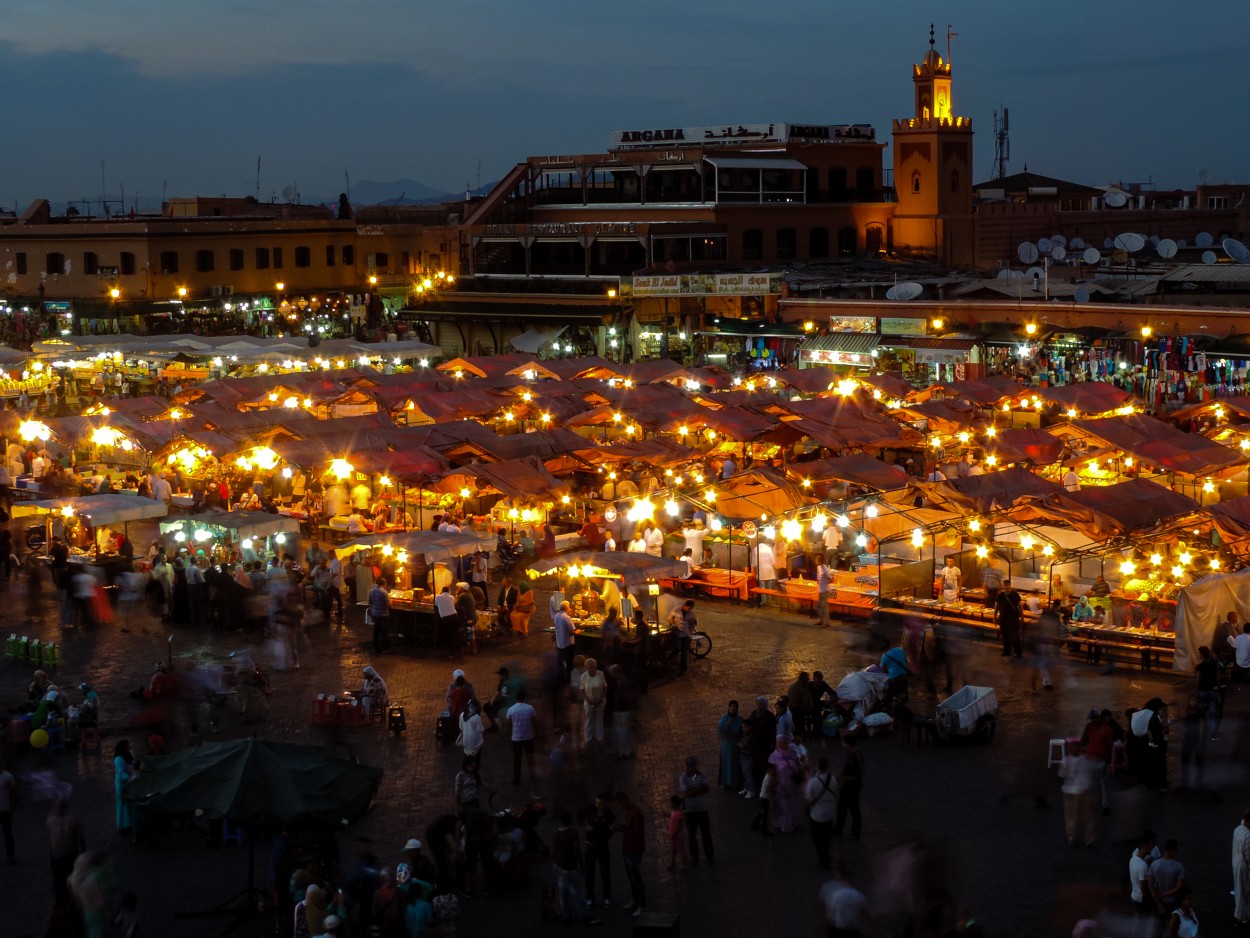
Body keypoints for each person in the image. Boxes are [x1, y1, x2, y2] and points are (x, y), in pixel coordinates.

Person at [612, 791, 647, 917]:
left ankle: (642, 905)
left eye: (619, 804)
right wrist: (621, 826)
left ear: (624, 800)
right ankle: (635, 900)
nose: (619, 807)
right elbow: (629, 827)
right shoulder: (629, 812)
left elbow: (636, 832)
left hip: (634, 850)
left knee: (636, 878)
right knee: (631, 877)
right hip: (627, 849)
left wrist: (620, 829)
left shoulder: (636, 812)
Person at [819, 864, 875, 938]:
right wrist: (876, 932)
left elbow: (826, 910)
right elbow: (866, 916)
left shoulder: (829, 887)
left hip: (835, 929)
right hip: (850, 930)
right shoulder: (858, 896)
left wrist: (822, 927)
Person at [1059, 742, 1098, 848]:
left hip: (1070, 791)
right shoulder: (1085, 760)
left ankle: (1072, 838)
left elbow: (1061, 774)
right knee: (1088, 817)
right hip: (1083, 790)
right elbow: (1093, 770)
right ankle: (1089, 839)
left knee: (1071, 817)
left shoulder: (1065, 761)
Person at [677, 755, 713, 864]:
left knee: (706, 834)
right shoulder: (683, 778)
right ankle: (695, 856)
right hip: (690, 811)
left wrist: (693, 790)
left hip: (702, 809)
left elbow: (706, 788)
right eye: (690, 766)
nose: (692, 768)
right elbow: (686, 793)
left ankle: (709, 856)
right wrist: (699, 788)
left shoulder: (701, 775)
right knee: (692, 835)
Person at [805, 756, 839, 870]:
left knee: (818, 841)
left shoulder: (813, 782)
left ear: (818, 767)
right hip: (830, 813)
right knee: (827, 838)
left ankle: (824, 863)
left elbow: (809, 799)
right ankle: (828, 857)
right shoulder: (832, 778)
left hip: (817, 816)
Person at [582, 794, 615, 909]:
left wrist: (595, 830)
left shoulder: (610, 815)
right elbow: (582, 821)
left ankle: (606, 897)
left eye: (600, 803)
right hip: (590, 846)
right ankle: (590, 897)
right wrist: (586, 827)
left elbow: (609, 833)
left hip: (602, 846)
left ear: (605, 804)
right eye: (596, 803)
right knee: (590, 874)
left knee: (605, 873)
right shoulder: (591, 810)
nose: (598, 805)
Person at [767, 736, 804, 834]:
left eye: (785, 742)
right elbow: (770, 771)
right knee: (783, 805)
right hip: (780, 785)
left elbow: (798, 765)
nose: (784, 744)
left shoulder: (792, 753)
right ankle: (783, 823)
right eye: (781, 742)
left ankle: (792, 822)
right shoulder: (774, 756)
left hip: (792, 785)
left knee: (792, 804)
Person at [832, 734, 864, 838]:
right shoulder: (850, 753)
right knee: (842, 807)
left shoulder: (856, 756)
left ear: (847, 743)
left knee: (854, 809)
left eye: (843, 742)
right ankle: (838, 829)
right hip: (847, 785)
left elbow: (858, 774)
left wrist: (844, 777)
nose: (842, 744)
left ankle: (856, 832)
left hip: (853, 786)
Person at [1150, 838, 1186, 920]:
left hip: (1157, 901)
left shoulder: (1154, 864)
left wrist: (1158, 902)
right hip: (1172, 902)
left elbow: (1151, 885)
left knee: (1158, 927)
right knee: (1173, 926)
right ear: (1173, 850)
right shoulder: (1179, 866)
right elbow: (1179, 887)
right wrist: (1164, 894)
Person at [507, 689, 537, 785]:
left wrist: (509, 737)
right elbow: (534, 722)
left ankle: (516, 779)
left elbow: (509, 725)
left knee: (517, 760)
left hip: (516, 738)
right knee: (530, 758)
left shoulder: (511, 710)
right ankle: (532, 776)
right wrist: (537, 733)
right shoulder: (530, 708)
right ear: (524, 698)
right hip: (528, 736)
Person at [1195, 645, 1224, 740]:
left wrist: (1195, 691)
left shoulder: (1199, 666)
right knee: (1213, 714)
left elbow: (1197, 680)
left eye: (1199, 654)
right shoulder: (1214, 665)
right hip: (1212, 691)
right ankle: (1214, 735)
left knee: (1202, 713)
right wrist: (1218, 691)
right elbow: (1218, 678)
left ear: (1202, 655)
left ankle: (1203, 731)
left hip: (1202, 691)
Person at [580, 657, 607, 748]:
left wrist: (600, 699)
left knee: (599, 720)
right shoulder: (584, 676)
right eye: (589, 667)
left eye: (592, 667)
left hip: (600, 702)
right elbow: (582, 690)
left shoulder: (600, 674)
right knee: (589, 721)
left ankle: (600, 738)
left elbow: (604, 687)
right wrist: (589, 700)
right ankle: (588, 739)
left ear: (595, 666)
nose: (591, 669)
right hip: (589, 703)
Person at [717, 700, 743, 790]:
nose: (732, 708)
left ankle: (736, 782)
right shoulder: (724, 718)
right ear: (728, 707)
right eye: (731, 706)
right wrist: (728, 723)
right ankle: (727, 782)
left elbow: (743, 731)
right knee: (727, 763)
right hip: (727, 745)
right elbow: (720, 730)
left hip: (736, 745)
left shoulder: (740, 719)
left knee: (735, 764)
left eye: (734, 706)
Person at [1130, 832, 1156, 921]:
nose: (1152, 849)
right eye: (1152, 846)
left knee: (1138, 921)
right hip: (1141, 900)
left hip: (1134, 896)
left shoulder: (1133, 858)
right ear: (1149, 844)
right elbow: (1143, 886)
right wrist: (1148, 900)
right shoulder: (1143, 865)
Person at [995, 579, 1024, 658]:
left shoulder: (1015, 594)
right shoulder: (1000, 595)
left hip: (1013, 619)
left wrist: (1022, 617)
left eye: (1008, 585)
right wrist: (995, 617)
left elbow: (1020, 606)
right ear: (1004, 586)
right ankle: (1007, 651)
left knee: (1015, 636)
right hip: (1003, 619)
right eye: (1005, 585)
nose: (1007, 587)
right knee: (1005, 636)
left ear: (1010, 585)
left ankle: (1018, 652)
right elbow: (997, 607)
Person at [113, 740, 136, 834]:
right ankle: (124, 825)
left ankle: (129, 823)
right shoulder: (118, 759)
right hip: (122, 784)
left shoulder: (129, 755)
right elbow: (121, 773)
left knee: (129, 803)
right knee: (123, 803)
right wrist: (131, 778)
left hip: (129, 782)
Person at [553, 600, 576, 681]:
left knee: (560, 661)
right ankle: (568, 678)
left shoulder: (556, 616)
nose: (570, 608)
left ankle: (561, 676)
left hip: (559, 642)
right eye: (569, 607)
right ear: (566, 608)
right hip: (568, 643)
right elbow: (572, 631)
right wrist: (579, 631)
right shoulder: (566, 618)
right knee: (569, 662)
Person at [368, 577, 391, 654]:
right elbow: (388, 604)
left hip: (375, 614)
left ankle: (375, 647)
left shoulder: (372, 591)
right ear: (384, 584)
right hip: (384, 615)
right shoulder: (384, 592)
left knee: (376, 631)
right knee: (384, 632)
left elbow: (370, 602)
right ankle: (384, 648)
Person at [675, 599, 697, 676]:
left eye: (691, 608)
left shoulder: (691, 614)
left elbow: (691, 625)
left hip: (686, 634)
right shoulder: (677, 610)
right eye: (689, 607)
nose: (689, 609)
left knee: (685, 652)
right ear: (685, 605)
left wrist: (690, 634)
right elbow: (671, 618)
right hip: (677, 633)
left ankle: (683, 668)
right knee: (677, 647)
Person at [0, 760, 15, 864]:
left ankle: (11, 855)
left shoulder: (7, 776)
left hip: (5, 808)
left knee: (7, 833)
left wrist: (12, 805)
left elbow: (14, 790)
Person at [667, 795, 687, 870]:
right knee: (674, 849)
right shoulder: (674, 812)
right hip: (673, 835)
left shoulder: (678, 813)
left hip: (677, 835)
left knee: (680, 849)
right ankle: (673, 863)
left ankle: (684, 864)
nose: (670, 804)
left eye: (671, 803)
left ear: (675, 804)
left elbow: (680, 824)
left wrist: (675, 831)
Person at [816, 554, 834, 628]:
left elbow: (831, 579)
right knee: (819, 606)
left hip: (825, 590)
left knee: (824, 606)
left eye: (817, 559)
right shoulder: (818, 567)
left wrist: (825, 583)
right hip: (820, 589)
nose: (816, 561)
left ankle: (827, 623)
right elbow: (818, 577)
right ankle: (821, 620)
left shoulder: (826, 569)